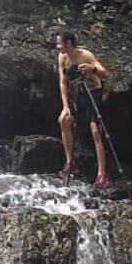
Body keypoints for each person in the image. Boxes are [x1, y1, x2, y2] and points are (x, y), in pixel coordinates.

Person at [56, 30, 111, 189]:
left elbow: (105, 74)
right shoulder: (62, 58)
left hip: (92, 92)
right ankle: (70, 162)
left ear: (69, 43)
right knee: (64, 120)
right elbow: (63, 82)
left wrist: (91, 69)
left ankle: (102, 174)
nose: (58, 47)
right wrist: (65, 107)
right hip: (77, 92)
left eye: (60, 43)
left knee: (96, 131)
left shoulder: (85, 55)